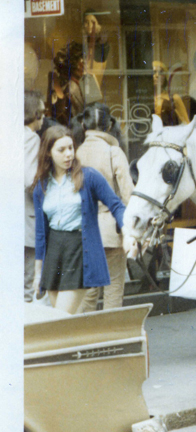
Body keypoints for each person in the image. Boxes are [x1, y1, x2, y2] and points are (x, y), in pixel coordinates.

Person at [32, 125, 126, 315]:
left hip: (79, 249)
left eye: (71, 148)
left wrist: (128, 231)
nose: (68, 154)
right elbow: (41, 233)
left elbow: (116, 205)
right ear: (48, 153)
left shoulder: (88, 176)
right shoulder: (41, 186)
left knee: (60, 317)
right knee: (62, 319)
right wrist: (37, 274)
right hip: (53, 252)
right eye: (61, 150)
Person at [75, 104, 134, 313]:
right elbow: (128, 194)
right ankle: (110, 334)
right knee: (113, 290)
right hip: (111, 232)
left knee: (88, 294)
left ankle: (84, 332)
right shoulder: (113, 152)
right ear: (109, 126)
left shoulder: (74, 153)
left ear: (83, 125)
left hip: (83, 230)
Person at [24, 91, 44, 301]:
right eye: (41, 112)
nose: (44, 117)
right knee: (27, 286)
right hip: (26, 219)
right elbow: (30, 180)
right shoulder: (31, 138)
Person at [46, 42, 86, 127]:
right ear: (74, 65)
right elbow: (80, 116)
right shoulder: (72, 88)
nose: (84, 65)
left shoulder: (68, 85)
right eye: (82, 61)